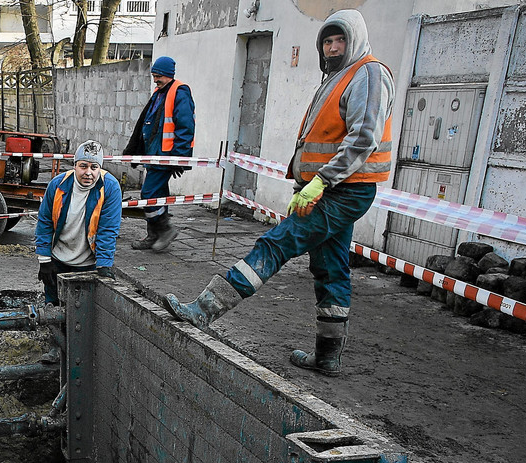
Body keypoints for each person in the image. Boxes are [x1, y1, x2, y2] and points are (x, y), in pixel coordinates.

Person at [161, 9, 394, 376]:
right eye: (328, 42)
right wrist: (310, 182)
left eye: (340, 41)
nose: (333, 48)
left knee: (275, 244)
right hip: (331, 190)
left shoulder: (368, 72)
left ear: (356, 41)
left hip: (342, 191)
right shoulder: (337, 77)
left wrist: (322, 180)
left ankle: (204, 310)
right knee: (331, 270)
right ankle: (327, 357)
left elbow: (364, 137)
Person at [34, 139, 123, 307]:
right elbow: (44, 221)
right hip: (57, 260)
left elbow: (108, 229)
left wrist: (104, 265)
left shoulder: (110, 188)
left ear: (100, 168)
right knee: (52, 307)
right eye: (83, 166)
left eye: (94, 167)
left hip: (87, 265)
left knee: (82, 312)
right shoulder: (58, 185)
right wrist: (44, 260)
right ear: (74, 165)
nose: (88, 172)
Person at [123, 56, 195, 253]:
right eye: (154, 76)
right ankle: (154, 235)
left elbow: (185, 127)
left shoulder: (179, 92)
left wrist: (178, 158)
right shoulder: (159, 93)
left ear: (168, 75)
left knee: (148, 194)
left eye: (159, 76)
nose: (156, 80)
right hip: (154, 155)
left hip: (164, 156)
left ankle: (164, 229)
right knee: (159, 195)